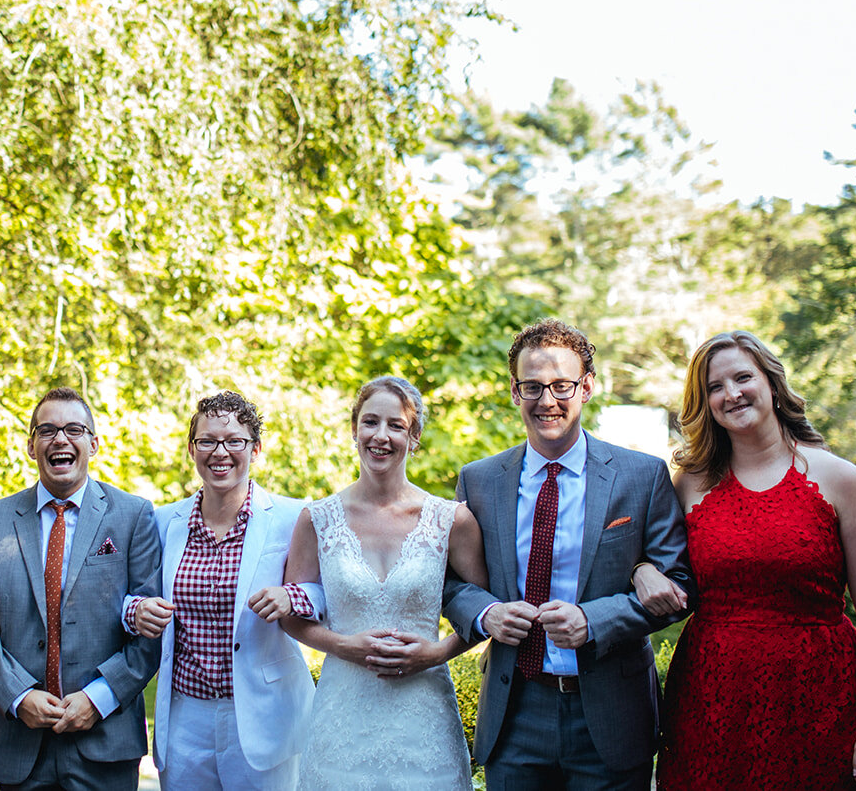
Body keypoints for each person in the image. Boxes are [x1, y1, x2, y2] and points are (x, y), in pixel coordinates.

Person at [442, 318, 693, 790]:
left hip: (610, 714)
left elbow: (678, 581)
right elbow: (453, 582)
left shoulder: (642, 477)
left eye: (562, 385)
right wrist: (486, 613)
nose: (548, 401)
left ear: (587, 387)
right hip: (515, 708)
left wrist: (594, 621)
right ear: (515, 392)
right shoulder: (479, 480)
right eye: (533, 387)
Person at [647, 331, 856, 789]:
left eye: (743, 377)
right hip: (713, 702)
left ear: (771, 383)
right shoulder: (687, 483)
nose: (732, 394)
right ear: (703, 403)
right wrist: (640, 569)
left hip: (823, 699)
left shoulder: (840, 480)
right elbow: (648, 559)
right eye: (714, 387)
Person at [281, 375, 488, 790]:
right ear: (354, 430)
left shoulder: (451, 520)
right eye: (370, 422)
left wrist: (436, 653)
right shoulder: (316, 520)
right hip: (342, 719)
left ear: (414, 438)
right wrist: (343, 646)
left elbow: (482, 611)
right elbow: (292, 616)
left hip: (424, 718)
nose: (381, 436)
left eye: (396, 426)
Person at [0, 387, 162, 791]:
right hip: (20, 744)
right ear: (31, 445)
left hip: (105, 740)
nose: (60, 439)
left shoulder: (134, 516)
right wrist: (17, 697)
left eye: (74, 429)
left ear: (94, 443)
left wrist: (98, 699)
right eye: (47, 430)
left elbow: (150, 629)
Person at [128, 390, 317, 791]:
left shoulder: (291, 515)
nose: (221, 452)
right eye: (208, 441)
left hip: (265, 712)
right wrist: (136, 610)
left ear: (256, 448)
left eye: (235, 441)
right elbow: (128, 595)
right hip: (184, 717)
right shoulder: (162, 522)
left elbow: (325, 593)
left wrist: (293, 597)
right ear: (192, 449)